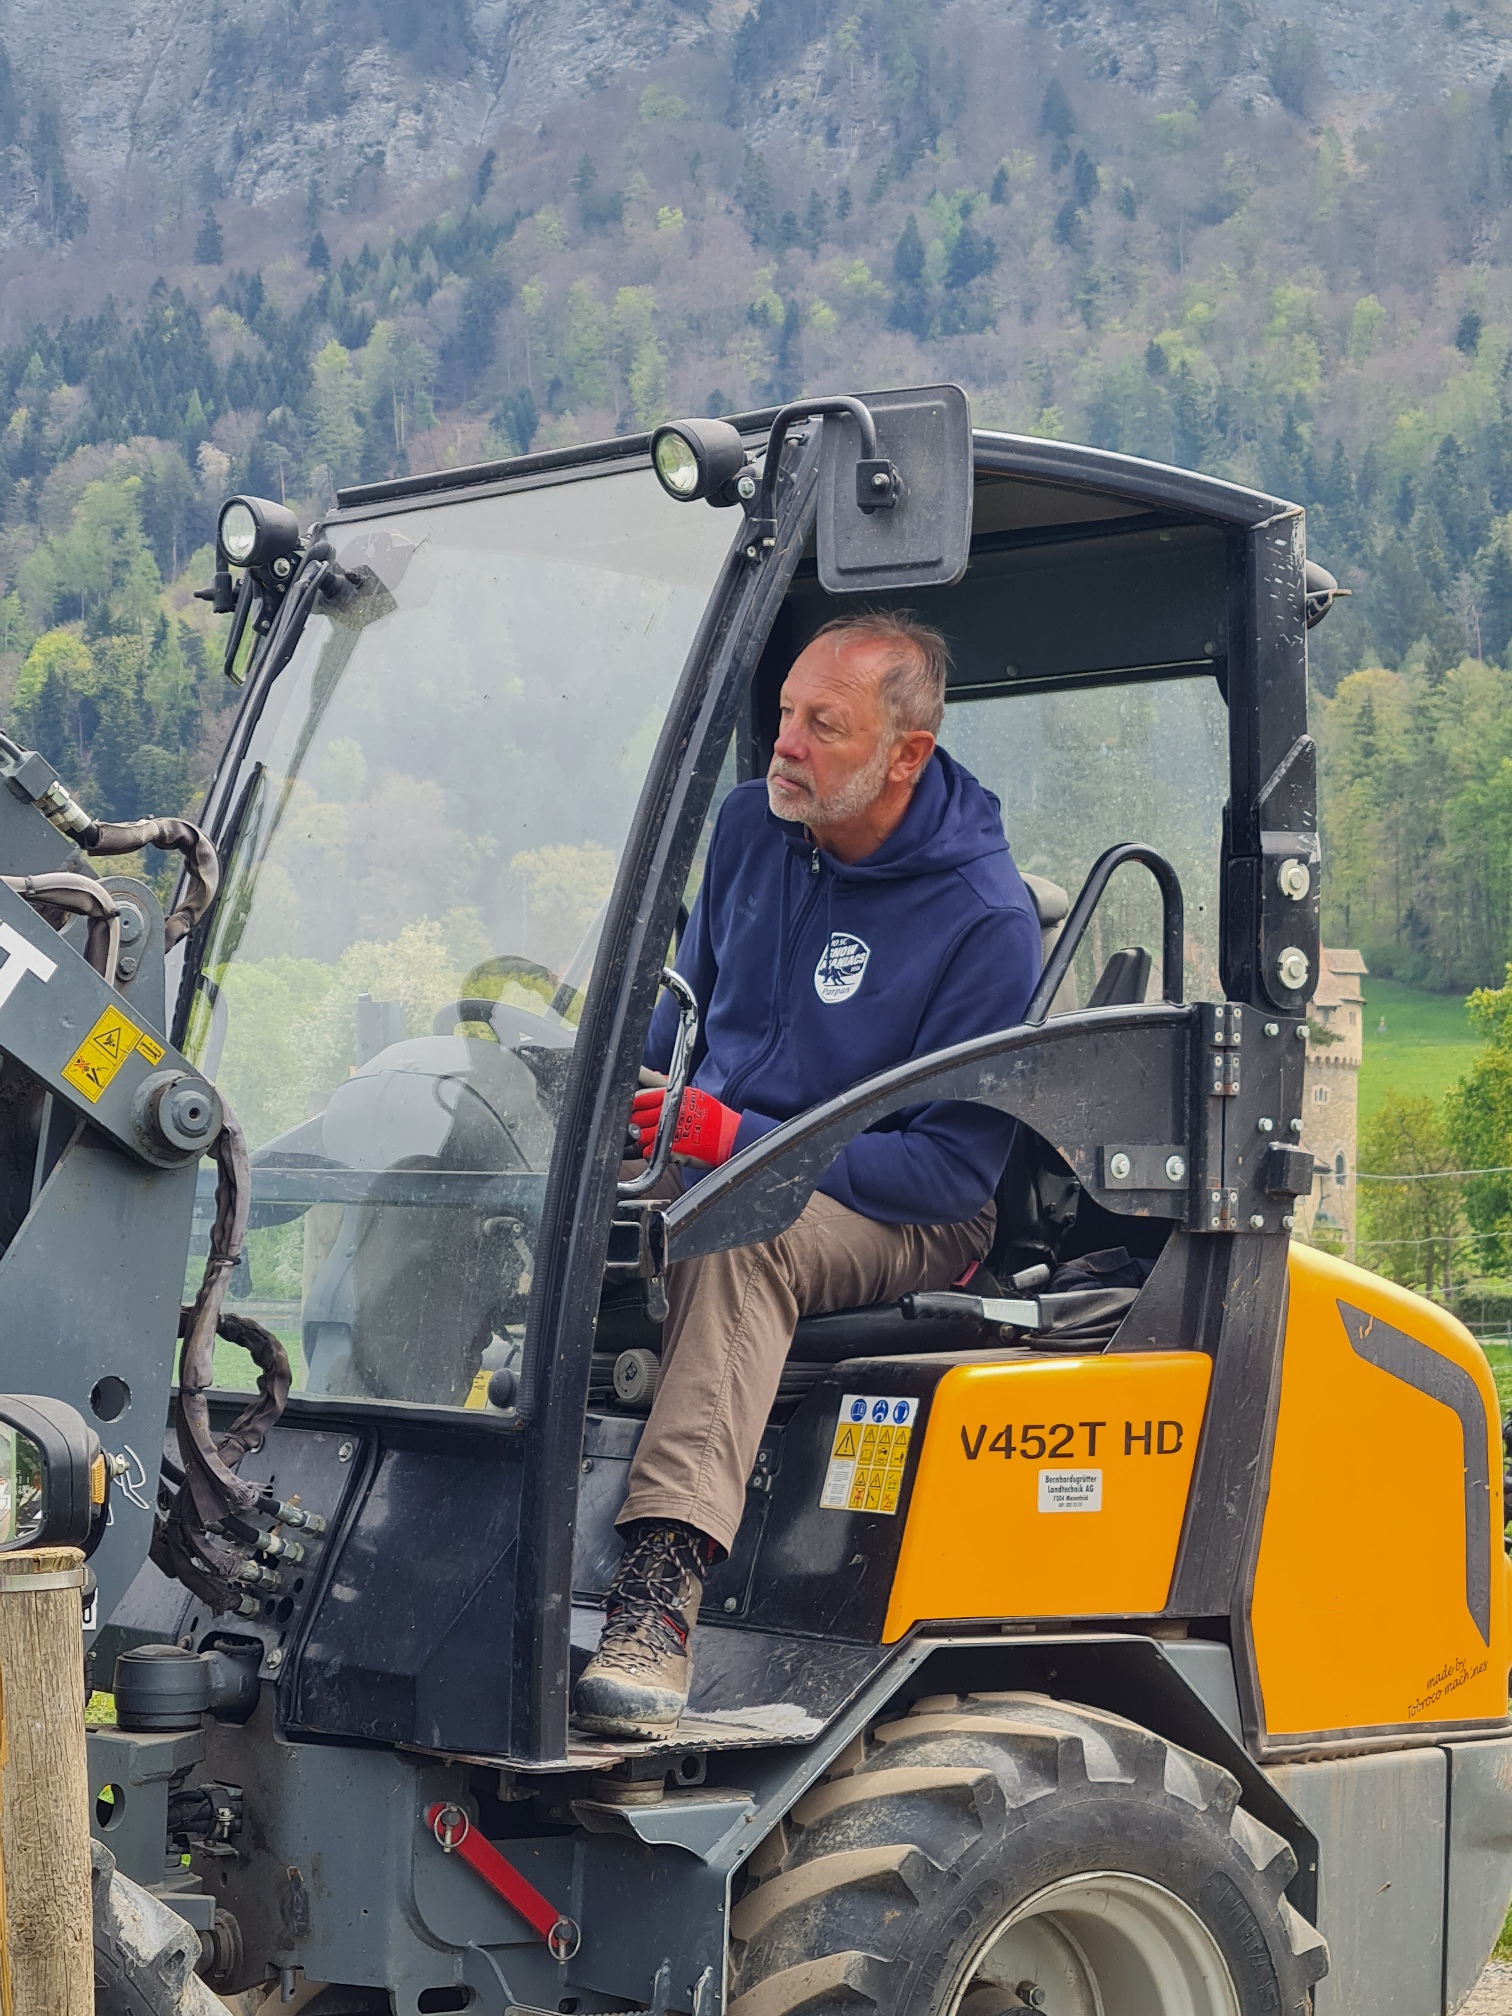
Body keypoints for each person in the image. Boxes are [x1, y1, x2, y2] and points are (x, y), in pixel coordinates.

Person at [573, 611, 1042, 1737]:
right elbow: (679, 1022)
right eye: (786, 713)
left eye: (822, 726)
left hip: (901, 1207)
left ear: (906, 752)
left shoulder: (984, 920)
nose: (786, 744)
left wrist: (735, 1141)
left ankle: (659, 1597)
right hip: (717, 1150)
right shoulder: (753, 828)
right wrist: (603, 1111)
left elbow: (945, 1171)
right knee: (492, 1161)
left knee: (743, 1231)